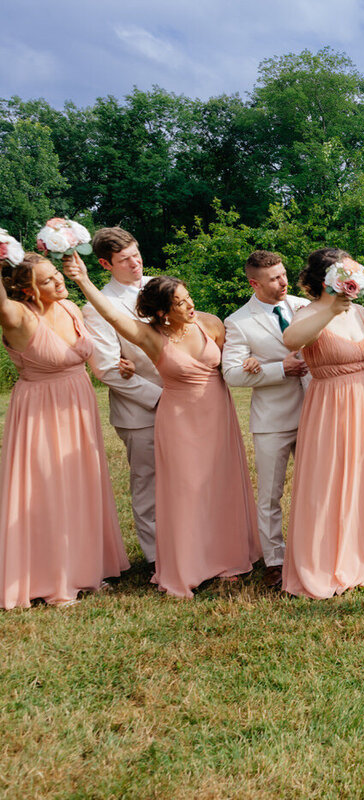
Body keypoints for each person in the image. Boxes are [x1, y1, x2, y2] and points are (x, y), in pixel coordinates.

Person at [64, 256, 259, 598]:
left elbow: (232, 361)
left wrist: (251, 361)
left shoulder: (209, 324)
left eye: (188, 297)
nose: (190, 304)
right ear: (163, 313)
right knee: (186, 492)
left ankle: (227, 559)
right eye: (180, 302)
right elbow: (111, 316)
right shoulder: (152, 338)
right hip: (179, 421)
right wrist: (82, 280)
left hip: (218, 415)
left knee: (221, 484)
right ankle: (188, 565)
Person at [0, 253, 129, 608]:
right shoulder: (18, 317)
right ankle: (51, 578)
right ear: (27, 290)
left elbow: (88, 352)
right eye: (47, 280)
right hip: (41, 410)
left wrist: (120, 363)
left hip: (80, 404)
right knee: (47, 488)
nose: (58, 282)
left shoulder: (71, 307)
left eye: (57, 274)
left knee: (80, 483)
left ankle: (85, 569)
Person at [279, 249, 364, 598]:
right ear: (326, 278)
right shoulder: (307, 312)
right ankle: (321, 563)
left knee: (362, 478)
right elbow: (292, 341)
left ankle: (360, 558)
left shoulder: (362, 312)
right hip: (328, 402)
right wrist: (330, 309)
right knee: (325, 483)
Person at [221, 251, 310, 587]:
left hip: (316, 411)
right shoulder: (239, 321)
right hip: (272, 419)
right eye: (274, 279)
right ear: (254, 283)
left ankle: (312, 551)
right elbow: (231, 373)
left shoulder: (304, 306)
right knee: (271, 494)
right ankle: (275, 561)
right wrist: (278, 369)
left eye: (284, 274)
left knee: (316, 486)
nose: (283, 282)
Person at [80, 227, 162, 569]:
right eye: (125, 259)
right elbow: (109, 369)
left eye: (136, 253)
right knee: (148, 485)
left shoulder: (160, 283)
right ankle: (158, 558)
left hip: (187, 401)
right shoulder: (99, 306)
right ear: (105, 264)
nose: (135, 262)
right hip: (140, 410)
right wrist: (162, 397)